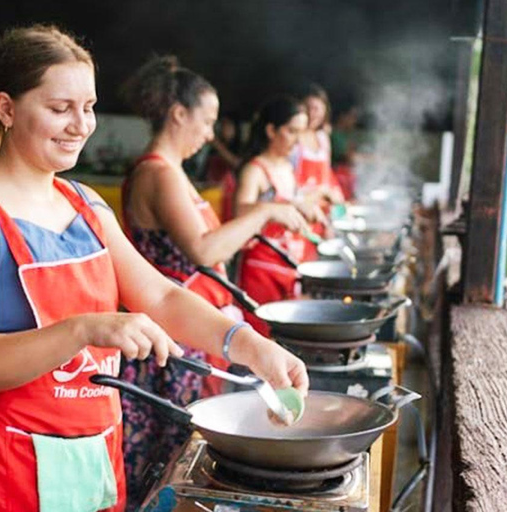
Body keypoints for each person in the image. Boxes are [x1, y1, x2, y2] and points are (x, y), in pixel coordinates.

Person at [0, 27, 308, 512]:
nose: (80, 125)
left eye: (89, 107)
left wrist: (251, 346)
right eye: (60, 108)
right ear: (6, 108)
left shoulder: (85, 205)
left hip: (91, 457)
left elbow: (162, 297)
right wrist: (86, 328)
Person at [119, 55, 308, 511]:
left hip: (187, 332)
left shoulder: (173, 171)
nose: (209, 134)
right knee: (163, 458)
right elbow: (204, 250)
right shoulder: (158, 173)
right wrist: (263, 212)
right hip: (168, 339)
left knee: (178, 455)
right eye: (207, 121)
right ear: (178, 113)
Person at [235, 96, 323, 334]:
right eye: (292, 131)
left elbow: (291, 201)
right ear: (271, 130)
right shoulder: (255, 169)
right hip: (261, 269)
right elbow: (240, 211)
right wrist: (279, 206)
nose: (298, 141)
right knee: (263, 335)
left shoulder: (286, 166)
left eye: (301, 132)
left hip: (288, 264)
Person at [293, 84, 345, 245]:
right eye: (308, 108)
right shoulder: (292, 138)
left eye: (317, 109)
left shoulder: (323, 138)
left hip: (321, 212)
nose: (312, 113)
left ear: (325, 111)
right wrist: (319, 192)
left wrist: (336, 194)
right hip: (299, 210)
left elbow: (327, 174)